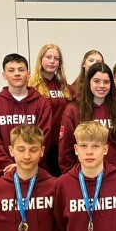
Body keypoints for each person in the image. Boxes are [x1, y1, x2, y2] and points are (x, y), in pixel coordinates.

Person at [0, 53, 52, 180]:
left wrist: (26, 164)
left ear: (28, 74)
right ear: (4, 75)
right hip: (5, 174)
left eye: (21, 70)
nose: (17, 74)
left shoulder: (42, 104)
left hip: (35, 173)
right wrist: (9, 167)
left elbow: (44, 138)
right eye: (11, 70)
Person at [59, 62, 116, 174]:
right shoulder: (73, 110)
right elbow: (65, 150)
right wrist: (71, 176)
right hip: (84, 174)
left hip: (114, 172)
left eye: (106, 82)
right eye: (96, 81)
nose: (102, 86)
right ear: (88, 82)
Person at [29, 43, 74, 177]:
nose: (52, 61)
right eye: (48, 57)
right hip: (42, 143)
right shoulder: (32, 87)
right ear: (41, 60)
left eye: (56, 58)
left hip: (62, 144)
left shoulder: (65, 87)